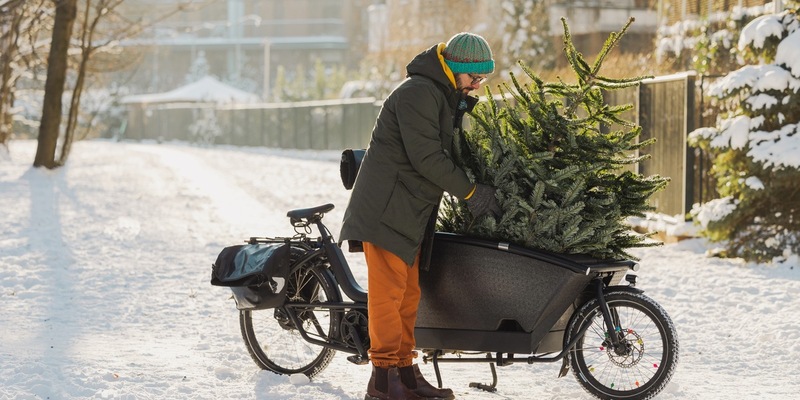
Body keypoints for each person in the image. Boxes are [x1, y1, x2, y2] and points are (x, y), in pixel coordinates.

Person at [340, 32, 501, 400]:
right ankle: (383, 380)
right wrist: (473, 193)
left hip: (408, 211)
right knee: (387, 296)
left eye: (482, 80)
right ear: (453, 69)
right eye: (473, 78)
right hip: (387, 210)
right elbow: (427, 158)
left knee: (408, 295)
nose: (477, 86)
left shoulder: (440, 95)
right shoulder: (418, 93)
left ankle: (406, 373)